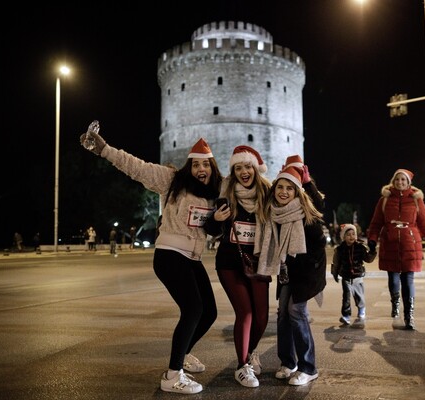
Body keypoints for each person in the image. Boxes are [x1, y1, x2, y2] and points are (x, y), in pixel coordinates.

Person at [80, 128, 223, 395]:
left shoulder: (215, 193)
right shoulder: (172, 181)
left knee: (209, 312)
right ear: (188, 166)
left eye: (205, 164)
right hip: (170, 254)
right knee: (192, 309)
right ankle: (172, 376)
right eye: (195, 164)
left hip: (192, 257)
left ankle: (183, 355)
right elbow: (137, 167)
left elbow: (217, 224)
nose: (200, 168)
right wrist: (105, 149)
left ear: (212, 167)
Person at [204, 145, 272, 388]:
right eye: (238, 168)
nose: (244, 172)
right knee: (246, 312)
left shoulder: (268, 194)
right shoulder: (226, 195)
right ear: (233, 172)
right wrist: (214, 220)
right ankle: (242, 366)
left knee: (262, 316)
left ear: (255, 169)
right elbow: (211, 230)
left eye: (247, 167)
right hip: (230, 262)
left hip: (259, 262)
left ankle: (251, 351)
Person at [256, 163, 327, 386]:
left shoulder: (305, 213)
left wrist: (308, 183)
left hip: (306, 272)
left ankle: (309, 367)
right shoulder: (273, 213)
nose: (284, 192)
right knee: (283, 314)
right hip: (286, 272)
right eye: (280, 187)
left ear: (297, 191)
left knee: (296, 312)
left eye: (289, 188)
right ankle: (288, 363)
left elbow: (319, 242)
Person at [367, 169, 425, 330]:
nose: (400, 182)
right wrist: (372, 239)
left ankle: (409, 316)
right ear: (393, 181)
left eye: (403, 180)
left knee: (408, 281)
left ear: (408, 183)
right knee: (393, 280)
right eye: (397, 179)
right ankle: (395, 304)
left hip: (410, 245)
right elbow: (376, 223)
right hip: (389, 243)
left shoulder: (416, 201)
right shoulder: (384, 200)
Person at [331, 223, 377, 326]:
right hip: (346, 277)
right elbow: (336, 262)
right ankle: (346, 316)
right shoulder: (340, 249)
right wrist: (335, 273)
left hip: (358, 276)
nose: (351, 236)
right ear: (343, 237)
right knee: (346, 297)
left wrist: (372, 250)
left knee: (359, 296)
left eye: (353, 234)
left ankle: (361, 310)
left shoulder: (360, 247)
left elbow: (368, 259)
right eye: (348, 235)